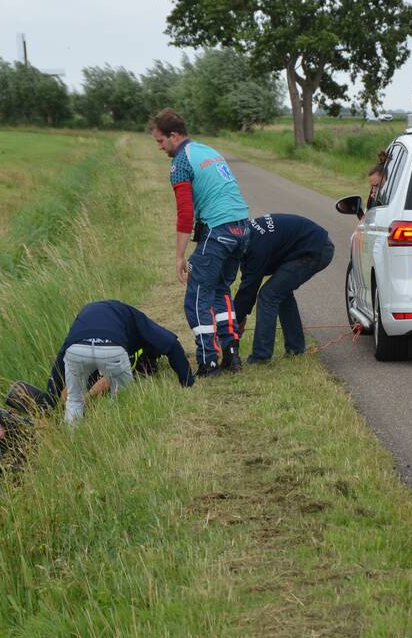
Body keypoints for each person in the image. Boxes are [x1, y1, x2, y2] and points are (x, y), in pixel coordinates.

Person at [150, 108, 250, 377]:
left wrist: (180, 256)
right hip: (242, 228)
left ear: (174, 135)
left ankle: (208, 361)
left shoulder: (181, 162)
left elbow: (185, 213)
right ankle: (231, 354)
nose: (160, 148)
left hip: (218, 230)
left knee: (195, 298)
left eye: (160, 141)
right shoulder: (207, 150)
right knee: (220, 290)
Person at [46, 300, 195, 423]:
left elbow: (60, 360)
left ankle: (71, 438)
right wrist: (187, 380)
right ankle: (115, 431)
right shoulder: (135, 317)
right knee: (122, 400)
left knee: (74, 401)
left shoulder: (83, 316)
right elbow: (171, 343)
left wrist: (50, 400)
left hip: (76, 350)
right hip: (112, 349)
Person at [234, 214, 335, 364]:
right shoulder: (247, 236)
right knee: (281, 294)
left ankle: (261, 357)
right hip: (308, 246)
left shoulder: (256, 247)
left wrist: (233, 323)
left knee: (268, 295)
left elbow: (249, 290)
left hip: (315, 249)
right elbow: (247, 280)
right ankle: (296, 349)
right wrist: (240, 316)